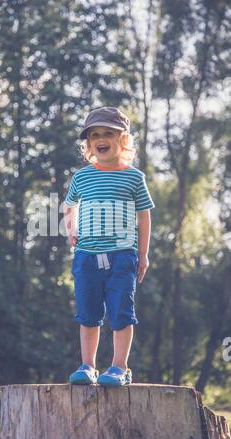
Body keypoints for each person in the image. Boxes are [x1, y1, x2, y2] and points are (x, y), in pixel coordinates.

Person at [64, 107, 155, 386]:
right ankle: (88, 366)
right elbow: (69, 205)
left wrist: (143, 255)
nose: (101, 139)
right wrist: (71, 228)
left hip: (122, 257)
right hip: (86, 256)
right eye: (94, 135)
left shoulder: (134, 177)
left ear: (123, 140)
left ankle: (118, 367)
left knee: (121, 313)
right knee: (88, 314)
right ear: (89, 144)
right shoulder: (82, 177)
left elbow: (144, 216)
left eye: (108, 133)